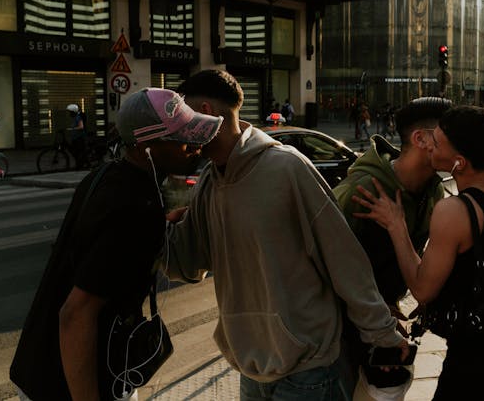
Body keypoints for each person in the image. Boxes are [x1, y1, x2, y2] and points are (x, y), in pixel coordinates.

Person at [165, 69, 408, 400]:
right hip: (251, 369)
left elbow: (345, 261)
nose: (179, 131)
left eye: (182, 119)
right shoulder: (210, 182)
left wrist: (382, 334)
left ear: (205, 112)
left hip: (309, 371)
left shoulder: (286, 168)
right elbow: (188, 264)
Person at [10, 88, 223, 401]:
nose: (196, 146)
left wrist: (162, 225)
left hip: (36, 367)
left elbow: (99, 243)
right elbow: (75, 315)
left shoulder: (106, 175)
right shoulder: (137, 206)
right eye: (183, 138)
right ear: (148, 147)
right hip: (70, 385)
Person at [352, 105, 484, 401]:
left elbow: (422, 289)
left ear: (458, 163)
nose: (431, 142)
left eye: (439, 140)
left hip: (474, 367)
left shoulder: (455, 211)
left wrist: (397, 226)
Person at [333, 96, 452, 399]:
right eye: (452, 132)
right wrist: (378, 314)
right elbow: (322, 269)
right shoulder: (362, 191)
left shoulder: (434, 189)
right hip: (338, 335)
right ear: (422, 139)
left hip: (383, 326)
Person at [66, 103, 88, 169]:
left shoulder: (78, 117)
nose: (69, 114)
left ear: (73, 112)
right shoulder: (75, 117)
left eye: (70, 112)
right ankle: (79, 165)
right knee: (76, 153)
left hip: (79, 138)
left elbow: (81, 127)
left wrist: (72, 129)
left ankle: (80, 165)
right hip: (76, 138)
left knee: (78, 153)